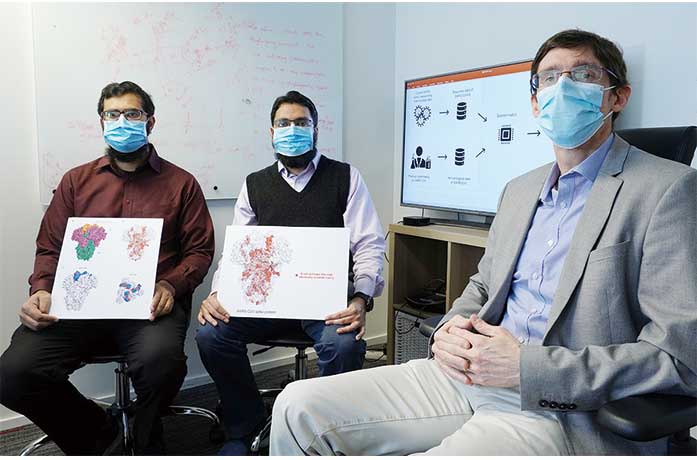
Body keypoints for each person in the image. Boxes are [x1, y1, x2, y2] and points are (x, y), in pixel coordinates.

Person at [269, 30, 697, 455]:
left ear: (618, 96)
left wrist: (527, 367)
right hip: (465, 374)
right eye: (549, 78)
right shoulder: (519, 190)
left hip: (556, 407)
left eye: (582, 74)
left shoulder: (667, 189)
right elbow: (483, 285)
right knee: (296, 407)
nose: (563, 88)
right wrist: (449, 331)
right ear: (535, 102)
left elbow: (679, 358)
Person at [0, 81, 215, 455]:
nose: (122, 122)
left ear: (149, 122)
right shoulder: (76, 182)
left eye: (132, 113)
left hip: (148, 309)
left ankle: (145, 440)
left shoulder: (182, 184)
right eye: (112, 115)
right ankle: (100, 435)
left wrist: (170, 285)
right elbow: (50, 247)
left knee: (162, 366)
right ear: (101, 122)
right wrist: (41, 289)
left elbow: (199, 252)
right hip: (79, 307)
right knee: (12, 375)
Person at [195, 90, 385, 455]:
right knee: (211, 334)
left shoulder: (345, 177)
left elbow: (369, 244)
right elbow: (237, 252)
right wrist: (219, 293)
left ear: (316, 130)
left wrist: (361, 298)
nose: (292, 130)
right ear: (271, 132)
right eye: (284, 123)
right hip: (266, 301)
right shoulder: (254, 184)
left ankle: (327, 434)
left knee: (343, 344)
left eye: (301, 123)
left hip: (325, 302)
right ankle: (245, 426)